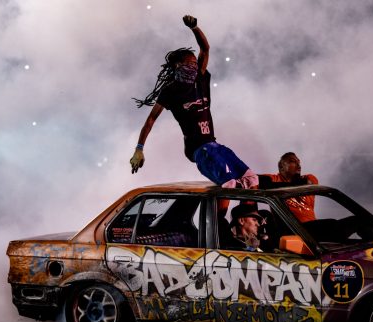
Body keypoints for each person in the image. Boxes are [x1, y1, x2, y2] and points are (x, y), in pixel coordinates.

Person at [129, 15, 258, 189]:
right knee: (230, 185)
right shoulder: (170, 91)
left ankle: (250, 216)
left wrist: (195, 28)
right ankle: (219, 216)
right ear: (177, 66)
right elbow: (151, 120)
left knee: (251, 180)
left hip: (214, 144)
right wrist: (139, 149)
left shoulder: (201, 78)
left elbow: (205, 48)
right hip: (199, 149)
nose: (193, 65)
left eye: (194, 62)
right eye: (188, 63)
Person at [258, 152, 318, 222]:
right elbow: (252, 179)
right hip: (289, 227)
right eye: (293, 161)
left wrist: (271, 187)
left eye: (299, 162)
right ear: (281, 166)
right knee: (331, 223)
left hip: (309, 227)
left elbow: (307, 183)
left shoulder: (310, 177)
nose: (299, 165)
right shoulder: (273, 178)